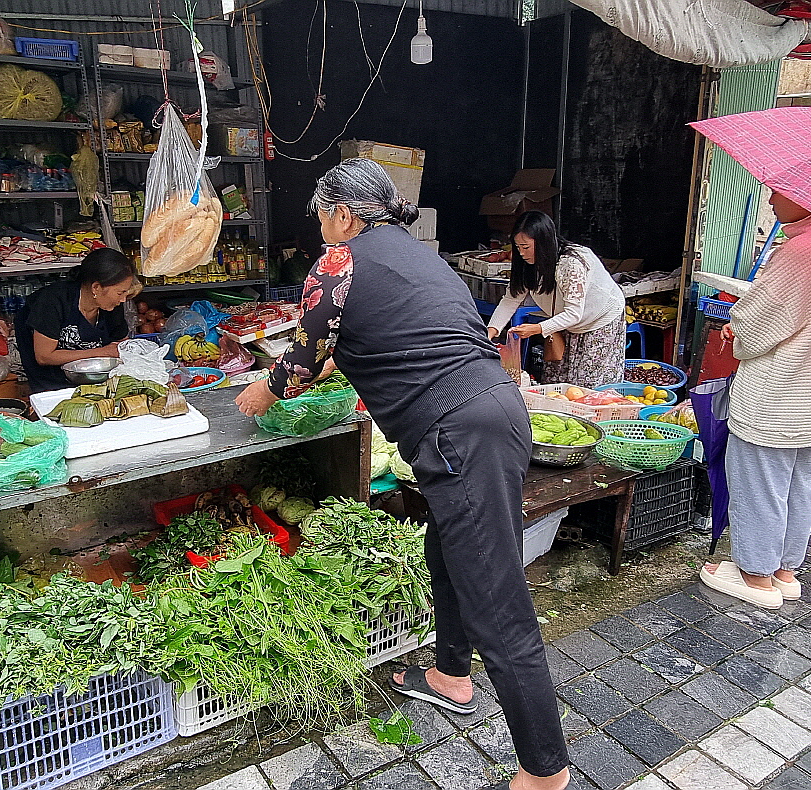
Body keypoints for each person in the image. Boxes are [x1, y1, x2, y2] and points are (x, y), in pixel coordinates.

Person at [235, 159, 570, 790]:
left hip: (457, 433)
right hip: (496, 411)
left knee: (498, 602)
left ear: (343, 214)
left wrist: (264, 389)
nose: (321, 228)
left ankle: (544, 770)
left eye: (322, 215)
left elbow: (303, 359)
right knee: (446, 551)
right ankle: (451, 674)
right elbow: (388, 338)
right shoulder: (420, 257)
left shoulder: (339, 263)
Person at [701, 192, 811, 609]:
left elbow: (756, 326)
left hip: (781, 395)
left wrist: (738, 328)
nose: (770, 198)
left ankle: (755, 576)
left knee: (759, 482)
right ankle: (784, 571)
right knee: (800, 482)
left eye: (778, 191)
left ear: (809, 193)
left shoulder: (805, 250)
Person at [487, 211, 626, 387]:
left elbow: (574, 313)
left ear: (543, 242)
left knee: (587, 384)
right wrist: (490, 331)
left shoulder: (571, 263)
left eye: (526, 247)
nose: (521, 253)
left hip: (599, 320)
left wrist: (537, 328)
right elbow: (510, 299)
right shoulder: (526, 264)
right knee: (556, 381)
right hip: (566, 322)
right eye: (518, 247)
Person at [15, 248, 135, 393]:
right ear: (96, 287)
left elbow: (121, 342)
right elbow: (44, 356)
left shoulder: (112, 305)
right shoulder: (52, 301)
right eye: (120, 292)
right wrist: (102, 352)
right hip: (50, 375)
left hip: (92, 373)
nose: (123, 299)